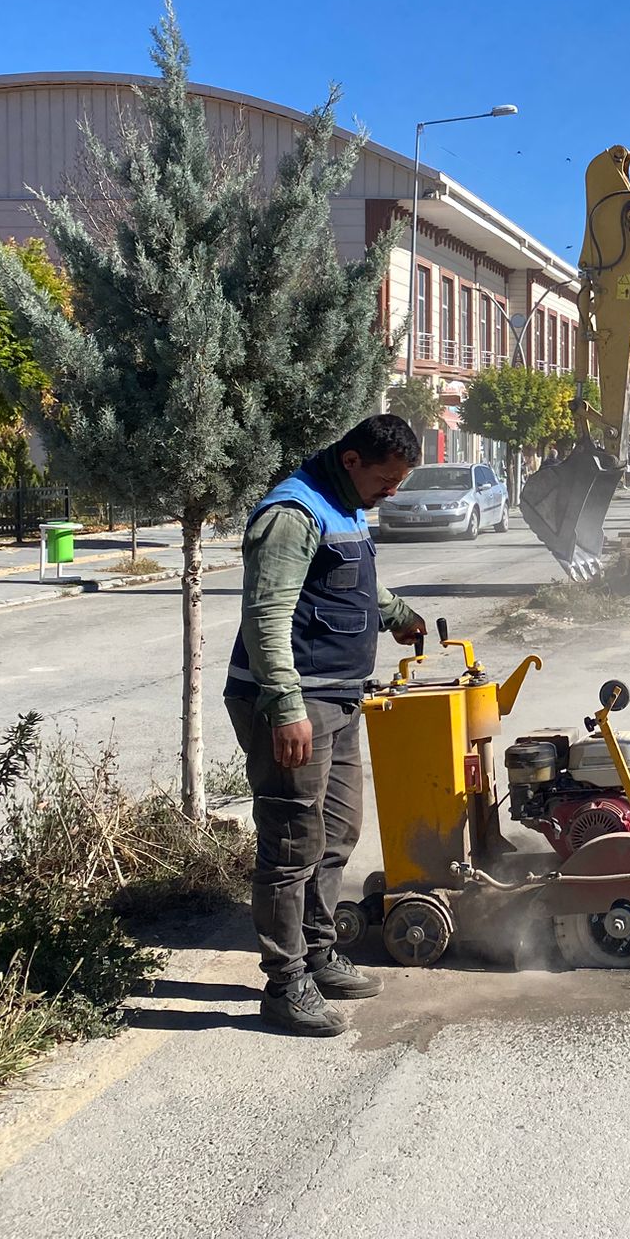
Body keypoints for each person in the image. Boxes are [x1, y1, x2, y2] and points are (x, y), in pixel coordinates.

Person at [224, 414, 427, 1035]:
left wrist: (394, 613)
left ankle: (318, 953)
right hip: (293, 704)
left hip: (338, 701)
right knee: (290, 844)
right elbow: (266, 617)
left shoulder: (346, 507)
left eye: (398, 482)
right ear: (351, 461)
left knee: (337, 831)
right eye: (386, 480)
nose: (391, 492)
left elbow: (344, 586)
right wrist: (284, 708)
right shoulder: (292, 513)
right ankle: (285, 986)